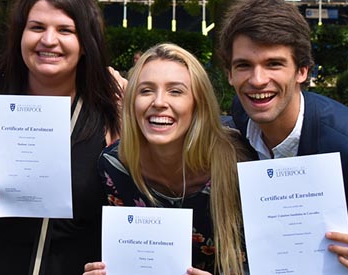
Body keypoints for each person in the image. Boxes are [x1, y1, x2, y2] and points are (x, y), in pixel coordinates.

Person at [0, 0, 122, 275]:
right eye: (37, 27)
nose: (48, 40)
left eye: (65, 30)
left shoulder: (109, 111)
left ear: (86, 43)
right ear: (20, 35)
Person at [218, 0, 348, 274]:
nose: (257, 80)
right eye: (243, 65)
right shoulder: (243, 111)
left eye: (274, 64)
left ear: (302, 71)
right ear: (229, 73)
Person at [84, 43, 247, 275]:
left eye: (175, 91)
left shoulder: (239, 165)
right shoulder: (113, 168)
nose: (159, 102)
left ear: (198, 104)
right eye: (146, 90)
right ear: (132, 102)